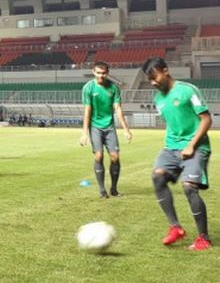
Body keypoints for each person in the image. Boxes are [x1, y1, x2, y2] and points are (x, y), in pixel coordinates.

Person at [143, 57, 212, 251]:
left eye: (154, 77)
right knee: (157, 177)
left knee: (189, 187)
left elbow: (206, 119)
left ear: (165, 70)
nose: (153, 82)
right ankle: (176, 228)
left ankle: (203, 238)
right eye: (149, 79)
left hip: (196, 147)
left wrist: (190, 145)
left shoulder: (188, 90)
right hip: (171, 147)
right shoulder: (157, 98)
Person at [79, 61, 133, 198]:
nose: (101, 76)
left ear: (107, 73)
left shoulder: (114, 88)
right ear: (93, 72)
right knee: (99, 155)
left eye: (103, 73)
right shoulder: (88, 88)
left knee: (115, 157)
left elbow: (118, 109)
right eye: (98, 73)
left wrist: (126, 129)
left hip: (109, 127)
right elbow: (87, 111)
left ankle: (114, 189)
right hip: (95, 126)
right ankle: (102, 190)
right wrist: (84, 133)